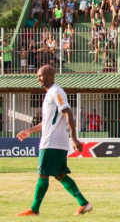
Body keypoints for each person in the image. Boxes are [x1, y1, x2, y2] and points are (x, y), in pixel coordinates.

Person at [15, 65, 92, 216]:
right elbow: (47, 122)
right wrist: (28, 131)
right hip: (54, 142)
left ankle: (34, 209)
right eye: (37, 76)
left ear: (50, 76)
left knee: (43, 174)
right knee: (60, 174)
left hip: (52, 143)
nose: (38, 78)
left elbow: (68, 113)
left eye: (41, 76)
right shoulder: (50, 93)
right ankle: (84, 203)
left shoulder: (57, 92)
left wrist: (74, 138)